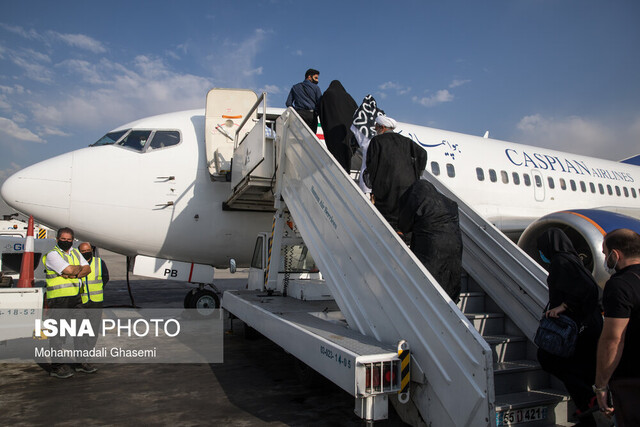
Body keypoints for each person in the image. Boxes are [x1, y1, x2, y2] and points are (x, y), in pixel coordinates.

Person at [536, 228, 602, 427]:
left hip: (578, 329)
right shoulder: (573, 260)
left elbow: (586, 289)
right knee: (578, 371)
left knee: (549, 358)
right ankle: (587, 414)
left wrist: (563, 307)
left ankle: (590, 400)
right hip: (590, 326)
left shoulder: (560, 262)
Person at [594, 228, 640, 426]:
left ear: (616, 254)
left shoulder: (620, 285)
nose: (605, 258)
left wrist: (601, 385)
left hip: (631, 380)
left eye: (605, 254)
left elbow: (614, 339)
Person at [398, 179, 462, 303]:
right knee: (447, 281)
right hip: (455, 248)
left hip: (432, 249)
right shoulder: (449, 203)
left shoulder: (418, 199)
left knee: (427, 285)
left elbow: (404, 225)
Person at [364, 115, 427, 231]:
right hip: (407, 185)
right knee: (403, 213)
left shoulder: (377, 141)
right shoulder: (406, 141)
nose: (376, 131)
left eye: (376, 128)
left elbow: (371, 164)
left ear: (382, 127)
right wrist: (417, 173)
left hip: (386, 185)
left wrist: (372, 184)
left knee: (385, 217)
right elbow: (423, 154)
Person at [43, 227, 91, 379]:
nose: (66, 242)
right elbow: (71, 269)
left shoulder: (76, 253)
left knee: (81, 331)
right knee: (58, 334)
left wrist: (71, 272)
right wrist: (74, 271)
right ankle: (56, 367)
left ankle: (80, 362)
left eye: (69, 240)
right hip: (59, 300)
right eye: (63, 240)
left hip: (76, 298)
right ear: (57, 240)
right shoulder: (52, 255)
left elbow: (87, 269)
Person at [76, 242, 110, 374]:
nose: (86, 253)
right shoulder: (76, 263)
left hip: (96, 301)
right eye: (83, 251)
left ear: (92, 250)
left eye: (88, 250)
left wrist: (98, 290)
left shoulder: (99, 262)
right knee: (80, 332)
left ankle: (86, 355)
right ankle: (81, 361)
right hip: (81, 302)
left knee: (92, 332)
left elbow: (105, 278)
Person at [318, 80, 358, 172]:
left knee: (336, 156)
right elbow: (356, 111)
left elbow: (321, 109)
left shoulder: (327, 94)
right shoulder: (348, 97)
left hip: (333, 132)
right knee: (347, 154)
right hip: (347, 132)